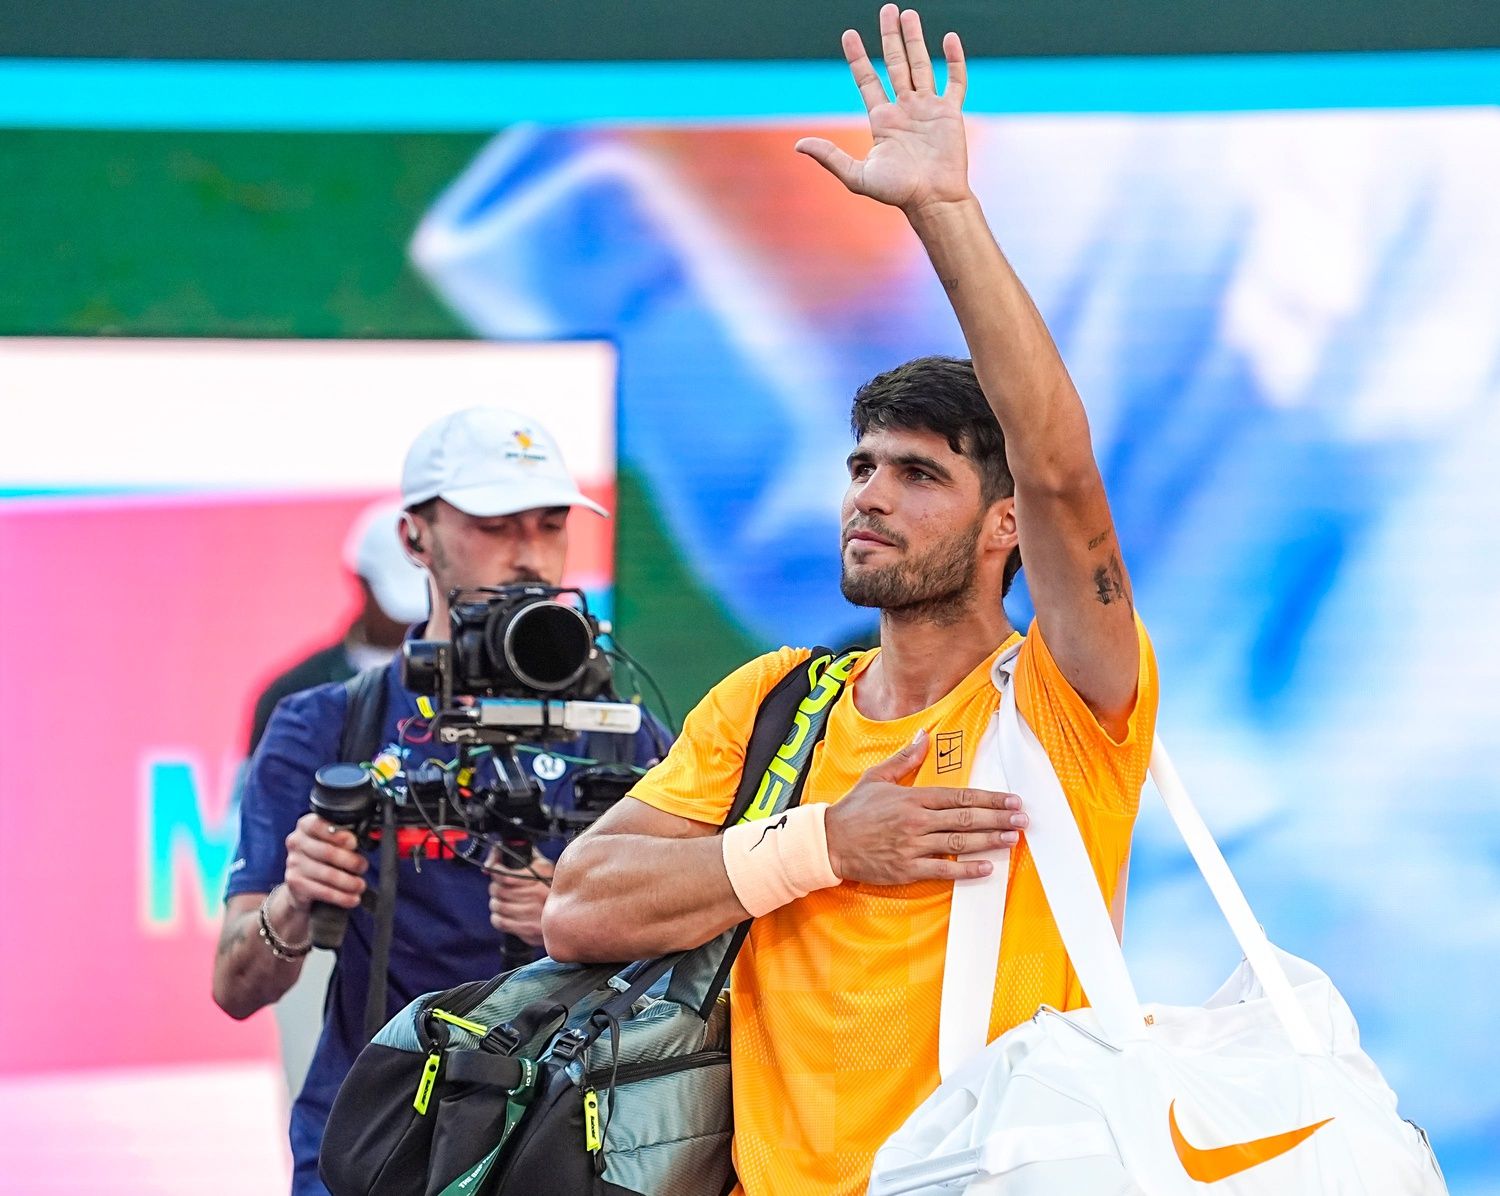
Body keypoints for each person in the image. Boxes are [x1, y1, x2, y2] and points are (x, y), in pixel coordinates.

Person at [543, 9, 1159, 1195]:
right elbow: (580, 904)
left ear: (1005, 526)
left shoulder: (1071, 696)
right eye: (862, 465)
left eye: (919, 472)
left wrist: (942, 211)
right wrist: (824, 840)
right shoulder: (774, 699)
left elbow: (1063, 468)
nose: (869, 495)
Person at [213, 406, 670, 1196]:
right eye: (495, 524)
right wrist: (296, 902)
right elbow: (234, 986)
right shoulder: (328, 722)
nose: (530, 554)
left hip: (564, 1148)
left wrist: (582, 923)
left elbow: (699, 969)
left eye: (550, 523)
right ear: (413, 538)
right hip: (370, 1144)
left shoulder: (624, 733)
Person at [246, 500, 430, 755]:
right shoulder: (296, 692)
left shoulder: (468, 684)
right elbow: (255, 792)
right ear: (361, 582)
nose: (412, 624)